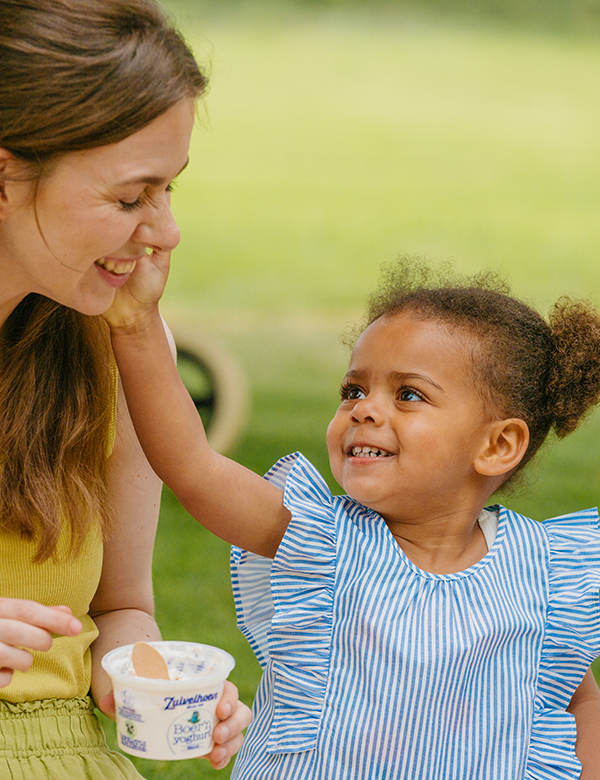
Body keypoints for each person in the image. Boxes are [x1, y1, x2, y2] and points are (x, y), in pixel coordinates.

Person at [105, 251, 600, 779]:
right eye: (354, 390)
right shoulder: (320, 538)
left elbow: (578, 703)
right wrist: (136, 326)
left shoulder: (548, 576)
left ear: (499, 444)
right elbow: (193, 467)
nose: (364, 408)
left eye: (408, 394)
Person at [0, 0, 251, 776]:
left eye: (171, 188)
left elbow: (119, 607)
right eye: (131, 196)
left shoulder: (115, 353)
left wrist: (152, 680)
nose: (166, 231)